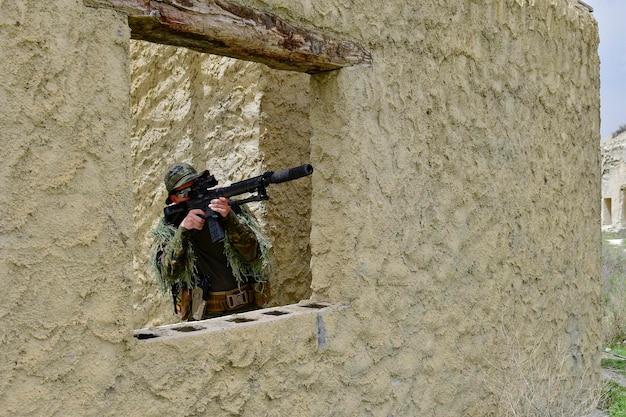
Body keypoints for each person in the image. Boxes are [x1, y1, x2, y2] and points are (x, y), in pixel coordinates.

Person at [151, 162, 270, 321]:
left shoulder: (230, 210)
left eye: (196, 187)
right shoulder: (170, 227)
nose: (193, 194)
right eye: (186, 191)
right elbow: (168, 273)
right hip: (206, 314)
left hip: (247, 308)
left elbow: (253, 255)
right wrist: (183, 231)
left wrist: (229, 218)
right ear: (174, 198)